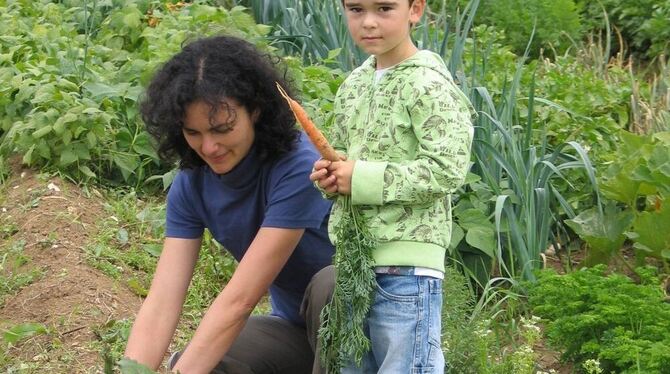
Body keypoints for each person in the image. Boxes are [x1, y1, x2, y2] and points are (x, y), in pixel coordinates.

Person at [123, 35, 336, 374]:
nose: (209, 147)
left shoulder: (299, 168)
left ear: (255, 109)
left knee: (332, 283)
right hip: (295, 334)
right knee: (207, 363)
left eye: (222, 128)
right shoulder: (191, 185)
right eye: (193, 133)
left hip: (363, 334)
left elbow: (239, 301)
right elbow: (162, 303)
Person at [310, 0, 475, 372]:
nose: (369, 22)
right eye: (356, 9)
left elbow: (447, 168)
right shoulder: (353, 85)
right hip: (354, 263)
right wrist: (332, 179)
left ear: (414, 10)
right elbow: (344, 163)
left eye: (384, 8)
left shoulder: (428, 83)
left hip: (408, 270)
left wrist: (361, 178)